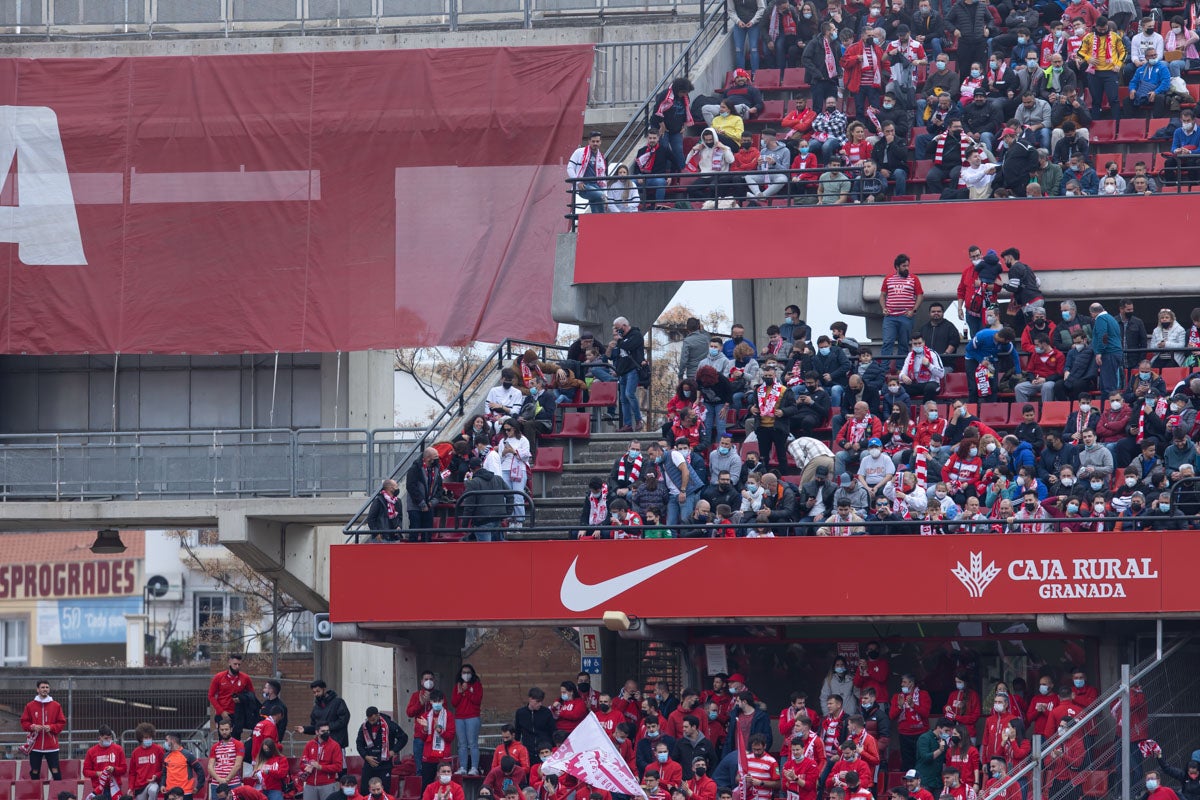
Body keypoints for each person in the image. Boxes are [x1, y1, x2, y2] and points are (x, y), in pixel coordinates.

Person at [1077, 18, 1125, 124]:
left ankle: (1117, 125)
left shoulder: (1115, 36)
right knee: (1096, 101)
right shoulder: (1088, 37)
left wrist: (1119, 64)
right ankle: (1096, 126)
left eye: (1105, 29)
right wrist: (1088, 58)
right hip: (1094, 73)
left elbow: (1123, 52)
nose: (1103, 31)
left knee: (1114, 99)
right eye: (1100, 29)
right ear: (1096, 27)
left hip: (1110, 72)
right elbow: (1080, 52)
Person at [881, 254, 924, 370]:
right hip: (890, 317)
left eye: (908, 265)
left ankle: (901, 368)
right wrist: (883, 308)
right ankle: (884, 369)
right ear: (897, 267)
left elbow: (920, 295)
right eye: (904, 266)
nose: (907, 268)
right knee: (887, 342)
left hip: (906, 316)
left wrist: (913, 310)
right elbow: (882, 295)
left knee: (904, 343)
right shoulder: (888, 278)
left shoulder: (914, 278)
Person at [22, 679, 66, 781]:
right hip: (35, 746)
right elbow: (24, 722)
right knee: (35, 770)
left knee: (55, 770)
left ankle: (58, 793)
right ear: (37, 689)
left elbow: (61, 722)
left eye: (47, 687)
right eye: (42, 687)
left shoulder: (56, 705)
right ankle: (36, 794)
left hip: (52, 746)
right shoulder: (30, 706)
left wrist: (51, 727)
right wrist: (32, 727)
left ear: (49, 689)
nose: (45, 689)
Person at [358, 707, 407, 789]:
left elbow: (403, 738)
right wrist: (365, 756)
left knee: (384, 789)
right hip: (369, 763)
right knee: (365, 790)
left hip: (384, 764)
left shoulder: (390, 725)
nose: (371, 722)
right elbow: (359, 744)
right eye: (369, 720)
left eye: (373, 720)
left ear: (377, 715)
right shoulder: (364, 727)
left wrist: (393, 751)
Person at [612, 316, 646, 433]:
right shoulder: (621, 339)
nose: (617, 331)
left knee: (629, 394)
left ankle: (638, 420)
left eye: (618, 328)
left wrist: (619, 339)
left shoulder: (635, 335)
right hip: (622, 371)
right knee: (623, 399)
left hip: (632, 369)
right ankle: (627, 424)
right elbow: (617, 354)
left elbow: (628, 346)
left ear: (624, 326)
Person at [892, 676, 933, 772]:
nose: (902, 684)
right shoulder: (898, 697)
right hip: (904, 735)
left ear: (911, 683)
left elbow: (926, 713)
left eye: (904, 682)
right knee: (907, 763)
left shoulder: (923, 694)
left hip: (921, 734)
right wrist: (900, 706)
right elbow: (892, 716)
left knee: (922, 761)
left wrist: (913, 706)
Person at [208, 654, 255, 738]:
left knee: (236, 739)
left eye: (239, 664)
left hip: (238, 714)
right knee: (223, 739)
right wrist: (221, 712)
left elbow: (251, 695)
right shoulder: (219, 677)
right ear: (229, 662)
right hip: (222, 714)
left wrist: (241, 698)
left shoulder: (245, 678)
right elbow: (211, 696)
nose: (237, 667)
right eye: (235, 664)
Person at [296, 681, 351, 749]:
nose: (316, 694)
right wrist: (305, 729)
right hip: (322, 745)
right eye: (314, 692)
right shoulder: (316, 708)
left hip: (337, 744)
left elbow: (344, 720)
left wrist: (329, 727)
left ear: (324, 689)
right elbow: (316, 727)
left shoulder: (338, 702)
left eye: (318, 691)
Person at [803, 22, 844, 111]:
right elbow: (805, 59)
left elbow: (839, 60)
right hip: (818, 80)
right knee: (817, 108)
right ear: (827, 32)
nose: (836, 31)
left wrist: (839, 71)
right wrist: (816, 73)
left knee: (832, 107)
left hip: (832, 80)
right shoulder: (814, 43)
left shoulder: (835, 44)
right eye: (834, 29)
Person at [405, 447, 443, 541]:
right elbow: (411, 487)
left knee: (427, 532)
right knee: (415, 530)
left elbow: (439, 488)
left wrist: (432, 502)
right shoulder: (415, 468)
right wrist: (422, 503)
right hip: (415, 506)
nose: (437, 459)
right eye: (435, 457)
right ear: (428, 458)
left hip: (429, 505)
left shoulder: (436, 470)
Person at [452, 665, 484, 775]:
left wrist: (467, 692)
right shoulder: (457, 686)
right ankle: (463, 767)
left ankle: (474, 767)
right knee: (462, 744)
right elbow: (454, 702)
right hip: (460, 718)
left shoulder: (477, 685)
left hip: (472, 717)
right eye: (464, 672)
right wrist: (461, 692)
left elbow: (477, 700)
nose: (466, 674)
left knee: (473, 743)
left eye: (468, 672)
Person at [567, 132, 607, 214]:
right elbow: (570, 167)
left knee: (598, 204)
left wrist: (605, 192)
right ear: (589, 141)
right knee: (600, 196)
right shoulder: (579, 152)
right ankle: (601, 217)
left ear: (600, 142)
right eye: (593, 141)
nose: (595, 143)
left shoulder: (601, 156)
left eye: (597, 141)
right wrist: (578, 182)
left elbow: (603, 176)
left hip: (597, 185)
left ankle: (598, 222)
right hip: (584, 186)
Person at [1124, 48, 1171, 118]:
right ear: (1146, 57)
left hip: (1157, 93)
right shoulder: (1140, 69)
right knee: (1127, 100)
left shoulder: (1163, 68)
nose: (1153, 57)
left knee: (1160, 98)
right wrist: (1132, 89)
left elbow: (1166, 83)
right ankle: (1132, 123)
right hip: (1142, 93)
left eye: (1155, 55)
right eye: (1151, 56)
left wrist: (1156, 92)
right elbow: (1134, 81)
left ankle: (1156, 122)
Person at [84, 726, 128, 800]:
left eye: (110, 737)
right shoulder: (91, 751)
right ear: (100, 737)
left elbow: (124, 769)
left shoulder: (118, 749)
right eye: (106, 738)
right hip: (99, 788)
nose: (108, 740)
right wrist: (98, 773)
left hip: (115, 787)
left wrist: (113, 769)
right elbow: (85, 771)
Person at [1090, 302, 1123, 395]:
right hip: (1115, 352)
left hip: (1108, 353)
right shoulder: (1111, 318)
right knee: (1109, 383)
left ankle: (1109, 407)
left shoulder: (1101, 319)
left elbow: (1103, 335)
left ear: (1092, 312)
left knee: (1108, 385)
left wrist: (1099, 352)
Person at [208, 720, 245, 800]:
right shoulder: (215, 746)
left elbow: (238, 765)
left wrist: (226, 780)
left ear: (231, 729)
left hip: (233, 783)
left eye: (226, 729)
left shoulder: (238, 744)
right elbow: (210, 766)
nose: (224, 732)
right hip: (216, 783)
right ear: (219, 730)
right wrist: (219, 779)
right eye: (222, 730)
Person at [1164, 109, 1200, 185]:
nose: (1186, 123)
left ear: (1193, 120)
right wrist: (1176, 150)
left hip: (1195, 158)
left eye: (1188, 120)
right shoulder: (1177, 131)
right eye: (1184, 121)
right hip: (1181, 158)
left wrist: (1189, 152)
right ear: (1181, 120)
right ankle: (1170, 186)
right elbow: (1173, 147)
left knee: (1192, 163)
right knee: (1168, 162)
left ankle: (1194, 186)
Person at [163, 735, 204, 800]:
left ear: (173, 740)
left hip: (185, 792)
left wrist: (198, 787)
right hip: (169, 792)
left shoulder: (187, 754)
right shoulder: (166, 755)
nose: (165, 743)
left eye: (166, 740)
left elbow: (199, 770)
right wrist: (162, 784)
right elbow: (164, 773)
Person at [130, 725, 166, 800]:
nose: (148, 739)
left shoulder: (158, 749)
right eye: (146, 738)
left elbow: (165, 767)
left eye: (150, 737)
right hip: (139, 786)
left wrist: (156, 776)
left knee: (153, 790)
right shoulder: (135, 752)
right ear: (140, 738)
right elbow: (132, 773)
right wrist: (130, 787)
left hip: (153, 782)